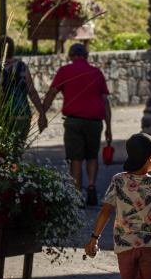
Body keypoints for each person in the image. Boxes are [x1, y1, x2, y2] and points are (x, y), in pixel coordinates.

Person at [84, 133, 151, 279]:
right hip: (150, 246)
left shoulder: (118, 181)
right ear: (150, 160)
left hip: (125, 247)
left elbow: (105, 211)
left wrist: (94, 237)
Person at [42, 42, 112, 206]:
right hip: (95, 122)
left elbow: (52, 93)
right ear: (86, 56)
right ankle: (92, 187)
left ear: (71, 56)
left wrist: (43, 113)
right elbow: (105, 101)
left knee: (76, 158)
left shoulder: (65, 71)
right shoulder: (96, 72)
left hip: (74, 121)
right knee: (92, 156)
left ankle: (77, 195)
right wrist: (108, 127)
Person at [0, 36, 45, 140]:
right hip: (22, 113)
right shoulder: (22, 66)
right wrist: (42, 113)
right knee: (18, 148)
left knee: (2, 151)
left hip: (1, 115)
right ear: (12, 49)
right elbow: (32, 91)